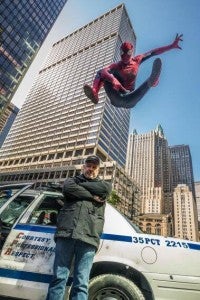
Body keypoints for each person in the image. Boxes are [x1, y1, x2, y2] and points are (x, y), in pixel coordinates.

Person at [46, 155, 112, 300]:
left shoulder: (104, 186)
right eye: (88, 166)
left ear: (98, 170)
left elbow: (104, 190)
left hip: (88, 238)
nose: (91, 169)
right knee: (59, 278)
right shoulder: (71, 181)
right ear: (83, 167)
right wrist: (91, 196)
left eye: (94, 167)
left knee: (81, 283)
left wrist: (81, 188)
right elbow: (68, 188)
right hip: (66, 234)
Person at [84, 34, 183, 105]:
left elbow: (153, 52)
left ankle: (152, 81)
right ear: (120, 52)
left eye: (128, 53)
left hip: (130, 96)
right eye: (123, 52)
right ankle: (94, 92)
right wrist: (113, 80)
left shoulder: (137, 60)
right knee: (103, 73)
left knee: (147, 84)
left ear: (131, 52)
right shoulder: (116, 66)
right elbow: (102, 72)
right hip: (116, 96)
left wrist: (171, 46)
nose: (125, 55)